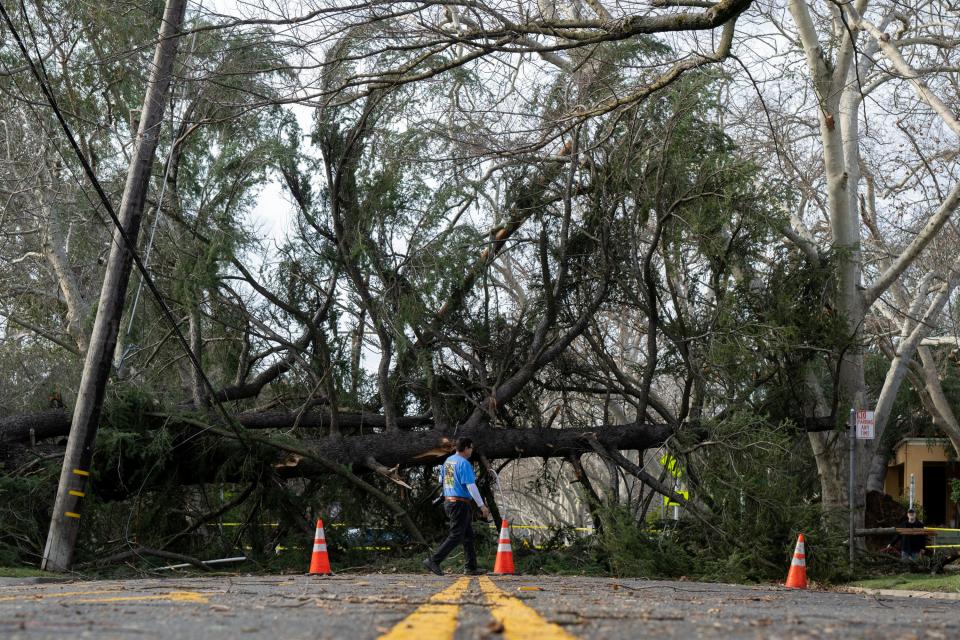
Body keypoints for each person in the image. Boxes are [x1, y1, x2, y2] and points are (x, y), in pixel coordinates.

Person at [423, 437, 491, 576]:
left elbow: (442, 480)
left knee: (468, 535)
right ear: (466, 448)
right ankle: (434, 560)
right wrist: (482, 506)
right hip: (459, 503)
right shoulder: (464, 463)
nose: (472, 450)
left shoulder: (448, 461)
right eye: (471, 448)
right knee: (457, 535)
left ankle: (471, 567)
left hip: (450, 501)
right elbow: (471, 486)